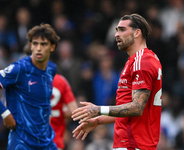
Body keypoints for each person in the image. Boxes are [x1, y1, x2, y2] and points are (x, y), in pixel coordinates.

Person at [72, 14, 162, 150]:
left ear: (137, 33)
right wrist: (98, 120)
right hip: (130, 142)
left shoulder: (141, 62)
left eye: (122, 30)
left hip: (133, 143)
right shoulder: (138, 61)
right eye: (116, 30)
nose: (116, 35)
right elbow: (129, 111)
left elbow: (137, 108)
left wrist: (98, 110)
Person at [0, 23, 60, 149]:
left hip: (45, 141)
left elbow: (43, 99)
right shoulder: (19, 69)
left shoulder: (51, 69)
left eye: (43, 44)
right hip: (22, 141)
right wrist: (5, 113)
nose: (38, 48)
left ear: (52, 47)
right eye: (35, 43)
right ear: (31, 45)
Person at [50, 73, 78, 150]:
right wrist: (58, 112)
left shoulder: (29, 80)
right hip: (55, 140)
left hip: (32, 140)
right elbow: (74, 111)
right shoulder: (60, 80)